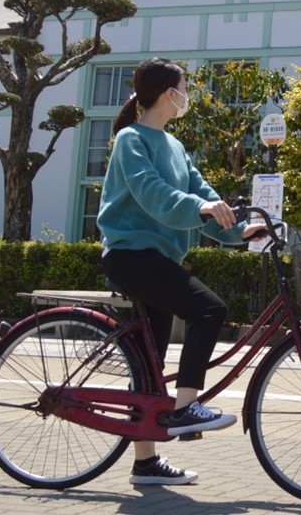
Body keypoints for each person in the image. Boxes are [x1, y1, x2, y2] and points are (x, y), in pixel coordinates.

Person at [98, 57, 267, 485]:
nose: (187, 95)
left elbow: (202, 192)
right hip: (131, 255)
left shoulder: (173, 146)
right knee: (209, 309)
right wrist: (201, 207)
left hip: (157, 261)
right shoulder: (130, 140)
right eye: (184, 87)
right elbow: (154, 194)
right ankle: (185, 408)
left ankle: (145, 463)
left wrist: (240, 230)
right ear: (168, 93)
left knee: (149, 364)